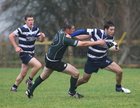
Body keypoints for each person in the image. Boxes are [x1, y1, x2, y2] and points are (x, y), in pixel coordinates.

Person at [25, 22, 106, 98]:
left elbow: (77, 37)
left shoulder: (60, 32)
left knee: (43, 76)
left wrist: (89, 35)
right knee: (76, 73)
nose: (74, 30)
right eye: (73, 29)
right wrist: (97, 42)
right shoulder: (65, 39)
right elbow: (82, 44)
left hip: (48, 58)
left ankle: (30, 91)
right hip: (55, 62)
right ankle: (72, 92)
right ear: (67, 30)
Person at [70, 21, 131, 94]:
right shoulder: (96, 31)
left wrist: (116, 48)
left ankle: (118, 87)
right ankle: (72, 88)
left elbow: (114, 47)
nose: (113, 31)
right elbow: (82, 31)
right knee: (85, 80)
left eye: (114, 30)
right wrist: (71, 35)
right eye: (111, 30)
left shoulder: (111, 38)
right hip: (91, 61)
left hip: (103, 59)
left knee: (119, 71)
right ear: (105, 29)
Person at [9, 14, 45, 92]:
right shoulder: (22, 29)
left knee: (23, 73)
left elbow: (41, 40)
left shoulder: (36, 29)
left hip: (31, 53)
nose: (31, 21)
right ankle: (29, 80)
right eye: (29, 20)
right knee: (38, 65)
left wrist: (42, 36)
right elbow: (11, 36)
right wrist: (16, 47)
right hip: (24, 53)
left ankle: (14, 87)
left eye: (32, 20)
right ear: (25, 21)